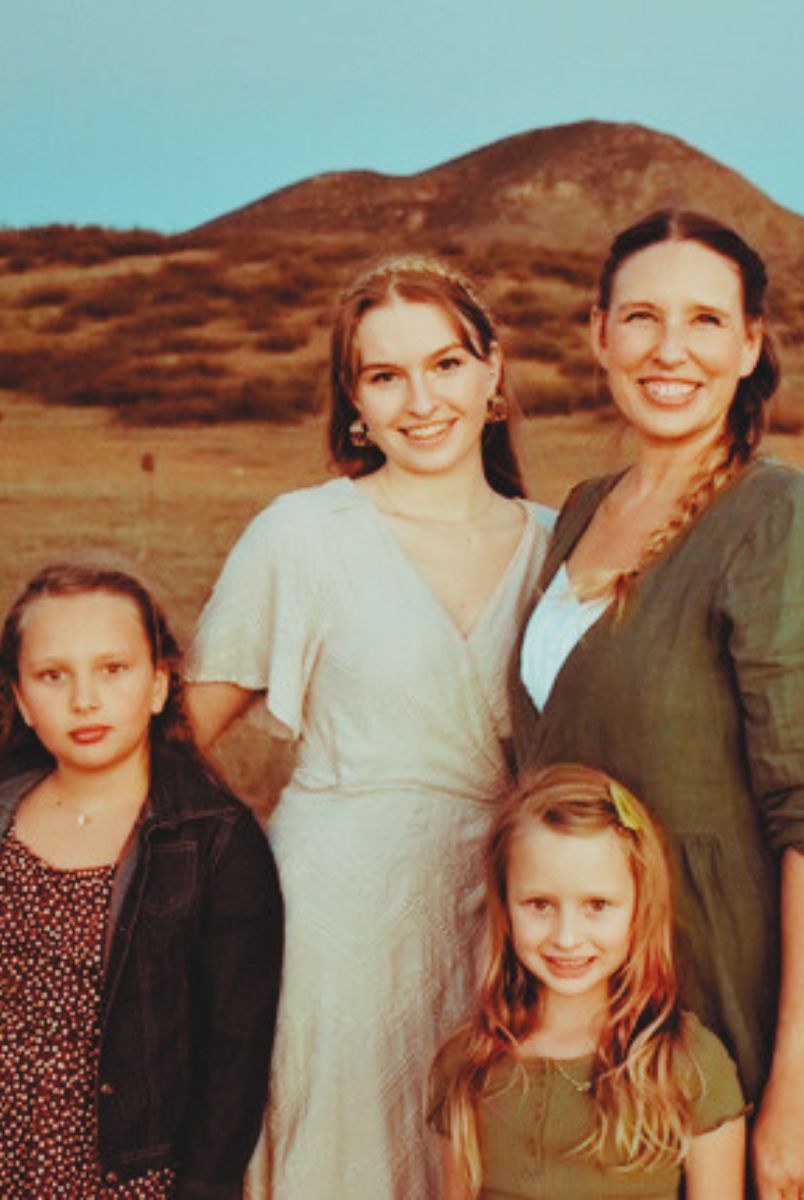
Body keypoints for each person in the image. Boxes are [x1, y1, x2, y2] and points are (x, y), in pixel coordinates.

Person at [512, 210, 804, 1198]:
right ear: (598, 333)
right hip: (583, 991)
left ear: (751, 343)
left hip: (726, 995)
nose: (670, 350)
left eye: (706, 322)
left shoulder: (790, 519)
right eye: (640, 317)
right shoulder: (587, 507)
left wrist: (800, 1077)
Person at [184, 256, 552, 1198]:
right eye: (385, 376)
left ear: (494, 373)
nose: (420, 400)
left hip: (509, 919)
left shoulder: (560, 543)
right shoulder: (303, 534)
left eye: (445, 364)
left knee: (478, 1157)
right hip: (333, 913)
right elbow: (186, 734)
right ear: (354, 399)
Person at [0, 562, 283, 1199]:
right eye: (52, 676)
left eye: (113, 669)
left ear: (159, 684)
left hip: (128, 1169)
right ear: (19, 697)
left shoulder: (213, 839)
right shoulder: (7, 811)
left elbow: (235, 1048)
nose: (84, 700)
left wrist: (206, 1185)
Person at [431, 763, 747, 1197]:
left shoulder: (688, 1066)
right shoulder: (466, 1065)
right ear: (504, 904)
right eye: (540, 904)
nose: (566, 937)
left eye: (597, 905)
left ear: (640, 906)